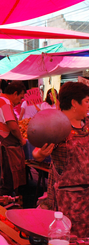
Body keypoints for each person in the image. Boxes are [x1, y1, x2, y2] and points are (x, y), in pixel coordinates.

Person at [32, 82, 89, 237]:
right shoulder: (57, 127)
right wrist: (42, 154)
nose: (88, 106)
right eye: (86, 101)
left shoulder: (86, 125)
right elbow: (36, 153)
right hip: (70, 200)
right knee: (72, 237)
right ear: (74, 103)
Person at [0, 81, 27, 196]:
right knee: (7, 185)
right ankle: (4, 211)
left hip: (0, 148)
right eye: (20, 97)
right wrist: (21, 139)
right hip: (4, 149)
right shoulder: (5, 103)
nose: (20, 101)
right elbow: (13, 126)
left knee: (5, 182)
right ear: (15, 93)